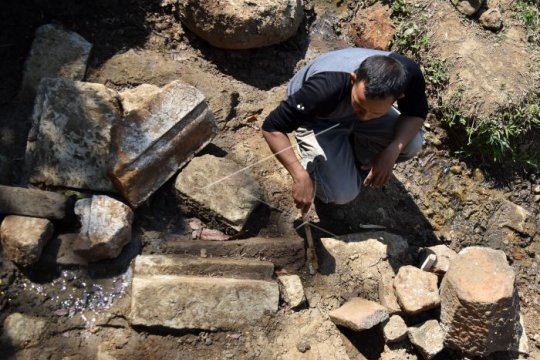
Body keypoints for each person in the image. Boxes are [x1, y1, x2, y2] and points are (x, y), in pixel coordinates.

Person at [261, 48, 428, 213]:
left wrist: (393, 149)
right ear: (353, 79)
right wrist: (299, 175)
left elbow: (415, 114)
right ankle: (319, 159)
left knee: (411, 144)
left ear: (399, 97)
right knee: (342, 194)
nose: (365, 117)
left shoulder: (408, 75)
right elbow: (272, 128)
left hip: (344, 105)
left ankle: (355, 154)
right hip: (318, 118)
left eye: (376, 112)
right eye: (359, 105)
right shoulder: (323, 89)